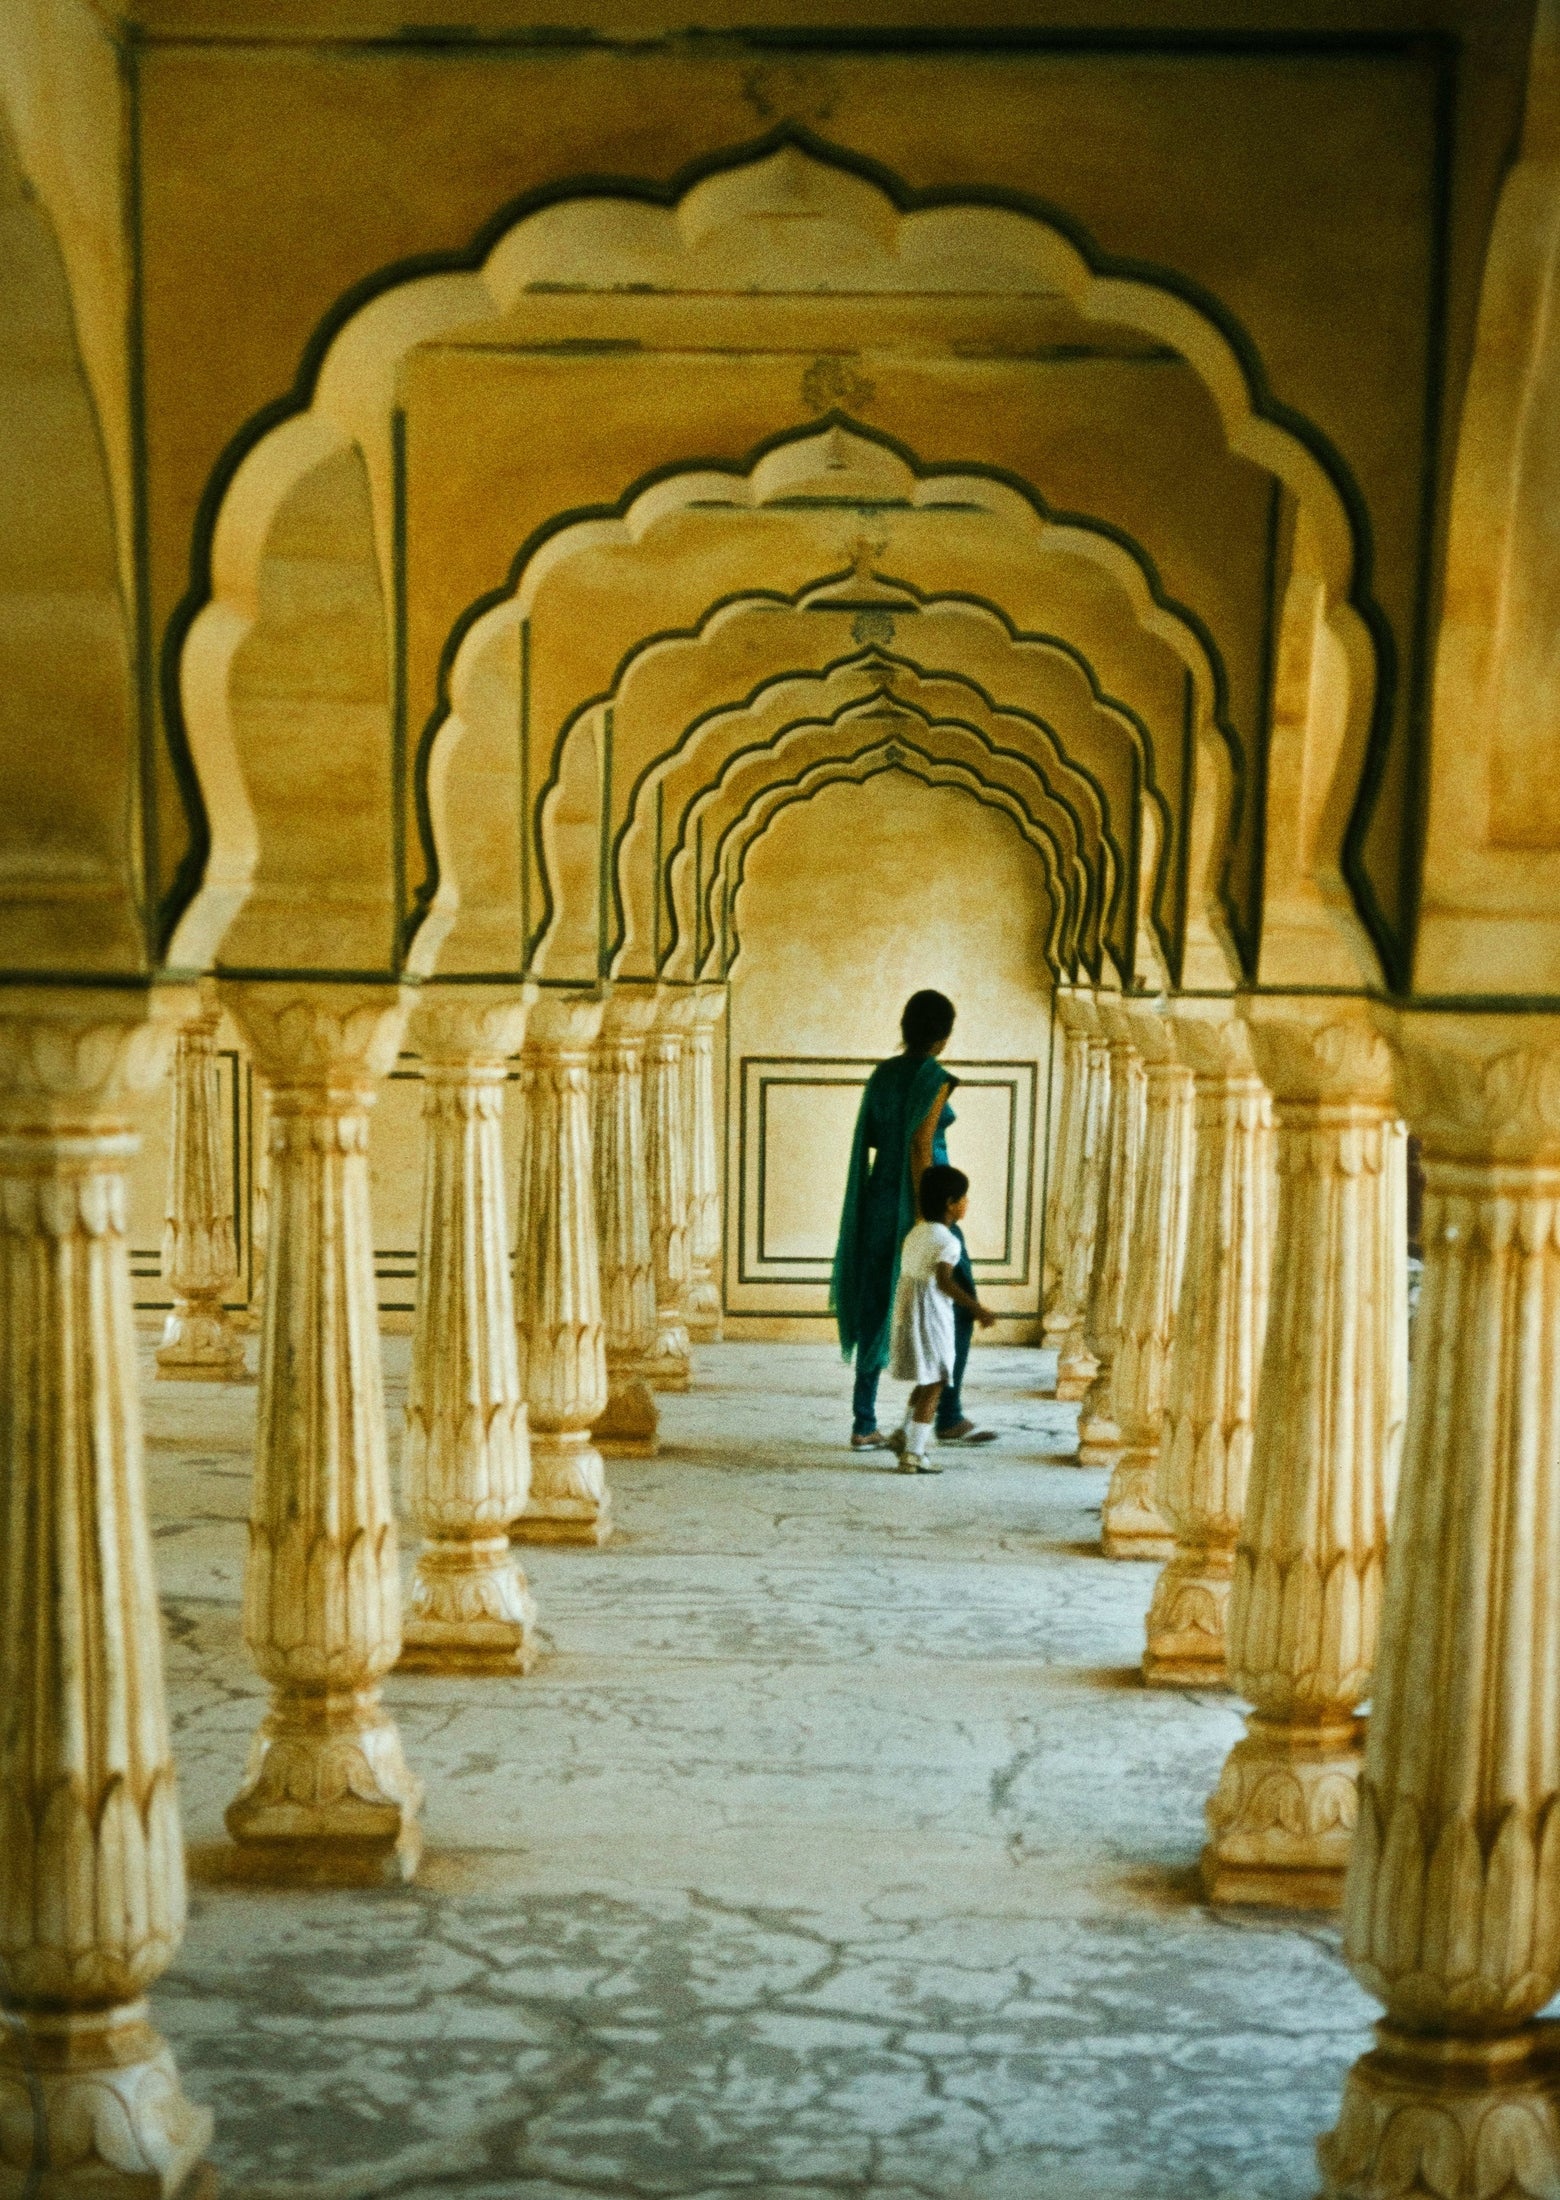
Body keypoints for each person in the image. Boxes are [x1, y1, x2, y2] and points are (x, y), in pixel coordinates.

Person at [831, 988, 996, 1448]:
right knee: (961, 1302)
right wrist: (930, 1217)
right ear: (943, 1036)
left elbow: (875, 1140)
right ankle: (947, 1413)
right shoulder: (933, 1076)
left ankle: (864, 1423)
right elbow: (921, 1144)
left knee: (875, 1305)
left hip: (880, 1200)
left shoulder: (882, 1075)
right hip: (924, 1200)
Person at [886, 1164, 998, 1472]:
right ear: (950, 1203)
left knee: (926, 1379)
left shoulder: (916, 1233)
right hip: (932, 1317)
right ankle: (914, 1452)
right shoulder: (948, 1241)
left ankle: (904, 1433)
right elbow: (945, 1281)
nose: (967, 1203)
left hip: (908, 1314)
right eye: (963, 1197)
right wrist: (977, 1308)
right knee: (936, 1382)